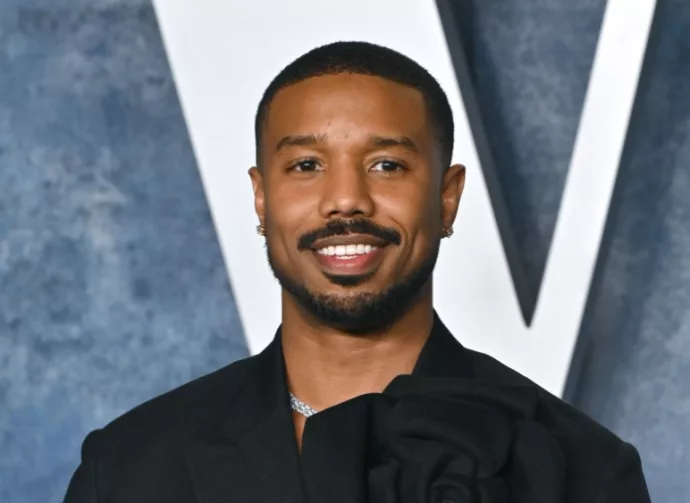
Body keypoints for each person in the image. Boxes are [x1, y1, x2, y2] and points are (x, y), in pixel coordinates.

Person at [64, 41, 651, 503]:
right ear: (261, 199)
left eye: (387, 164)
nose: (346, 200)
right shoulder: (126, 468)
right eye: (307, 165)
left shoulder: (583, 469)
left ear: (447, 199)